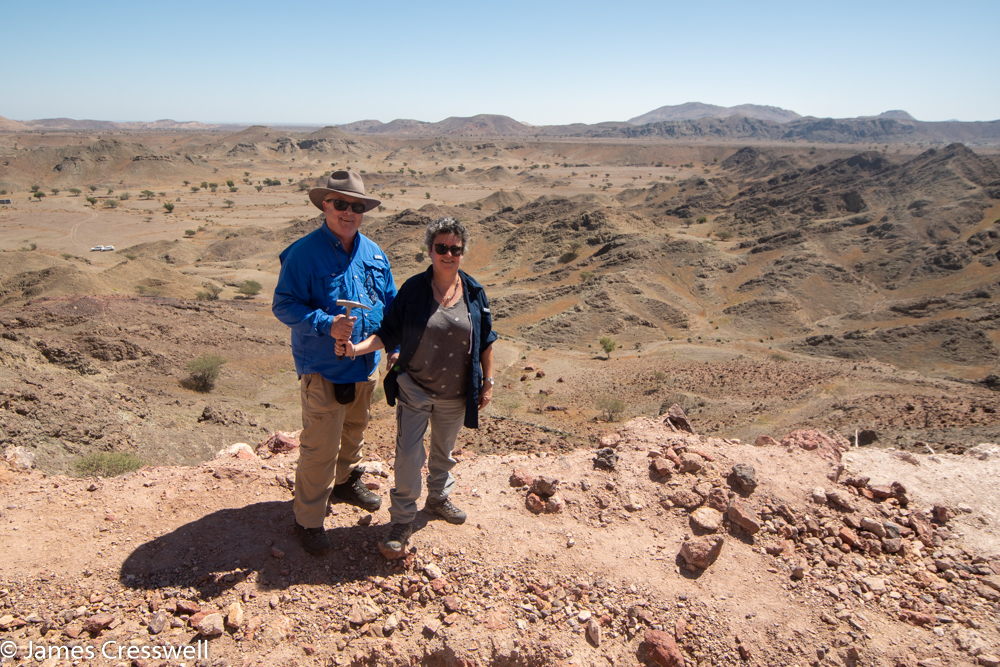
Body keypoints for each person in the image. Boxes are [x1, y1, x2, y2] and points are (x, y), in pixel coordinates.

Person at [338, 217, 496, 558]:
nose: (448, 254)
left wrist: (487, 381)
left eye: (455, 249)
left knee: (444, 453)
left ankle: (438, 498)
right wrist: (355, 349)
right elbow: (388, 332)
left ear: (463, 252)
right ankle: (401, 520)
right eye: (441, 248)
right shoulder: (413, 290)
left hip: (456, 392)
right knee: (409, 456)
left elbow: (486, 340)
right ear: (429, 250)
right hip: (416, 388)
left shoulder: (474, 292)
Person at [272, 171, 399, 556]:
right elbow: (284, 304)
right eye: (340, 204)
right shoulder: (303, 253)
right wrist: (326, 324)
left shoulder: (374, 253)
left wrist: (394, 348)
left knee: (354, 431)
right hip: (323, 368)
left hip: (364, 365)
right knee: (320, 447)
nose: (349, 212)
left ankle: (344, 482)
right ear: (325, 205)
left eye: (356, 206)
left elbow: (392, 306)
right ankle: (308, 519)